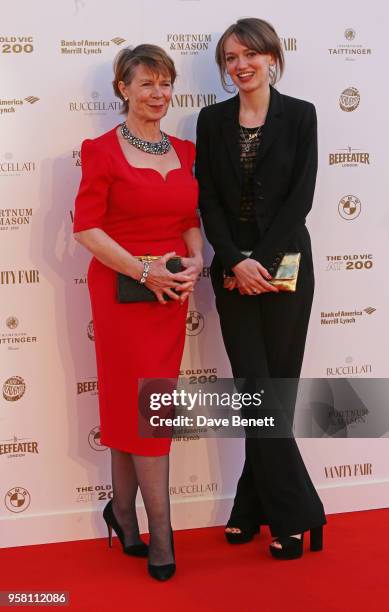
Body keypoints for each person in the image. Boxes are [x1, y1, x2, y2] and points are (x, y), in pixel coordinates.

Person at [195, 18, 326, 560]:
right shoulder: (211, 119)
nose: (241, 64)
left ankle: (251, 506)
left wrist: (261, 261)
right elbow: (208, 201)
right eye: (230, 57)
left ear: (272, 57)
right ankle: (299, 513)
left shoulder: (300, 115)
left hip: (287, 266)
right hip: (232, 269)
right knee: (256, 389)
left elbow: (301, 198)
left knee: (274, 391)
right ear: (224, 68)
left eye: (250, 53)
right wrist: (234, 260)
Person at [73, 44, 203, 580]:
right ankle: (162, 533)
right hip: (124, 295)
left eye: (166, 83)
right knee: (149, 409)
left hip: (170, 297)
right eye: (147, 83)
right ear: (123, 89)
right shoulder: (100, 149)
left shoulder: (185, 150)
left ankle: (123, 515)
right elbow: (85, 228)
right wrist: (141, 270)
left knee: (140, 406)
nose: (159, 94)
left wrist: (196, 258)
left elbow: (190, 215)